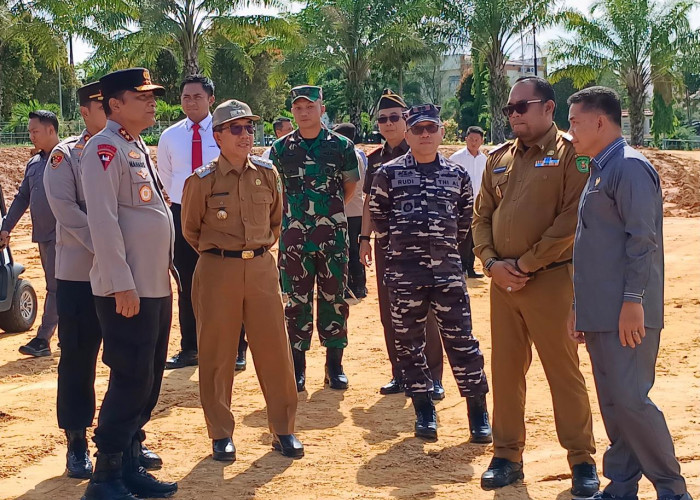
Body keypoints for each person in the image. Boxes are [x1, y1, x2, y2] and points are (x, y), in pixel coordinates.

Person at [472, 76, 598, 497]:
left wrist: (525, 263)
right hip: (503, 285)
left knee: (563, 372)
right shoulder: (499, 158)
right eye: (509, 109)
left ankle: (581, 460)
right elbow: (481, 215)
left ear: (548, 108)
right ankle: (507, 455)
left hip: (550, 281)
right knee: (506, 373)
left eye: (520, 108)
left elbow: (570, 220)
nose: (513, 115)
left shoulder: (572, 156)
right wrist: (491, 263)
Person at [567, 86, 692, 500]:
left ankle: (673, 490)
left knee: (632, 401)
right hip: (600, 311)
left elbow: (643, 241)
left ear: (600, 121)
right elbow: (591, 248)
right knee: (614, 405)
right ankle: (621, 486)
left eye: (575, 122)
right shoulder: (599, 168)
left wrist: (634, 301)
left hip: (626, 311)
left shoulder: (630, 167)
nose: (571, 132)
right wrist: (578, 308)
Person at [181, 99, 303, 461]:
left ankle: (283, 429)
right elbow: (190, 230)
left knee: (275, 350)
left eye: (250, 127)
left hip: (262, 268)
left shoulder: (267, 174)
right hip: (219, 269)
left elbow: (276, 221)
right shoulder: (201, 180)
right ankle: (220, 434)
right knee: (217, 353)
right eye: (237, 128)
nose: (246, 134)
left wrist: (256, 253)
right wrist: (224, 254)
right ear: (218, 135)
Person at [79, 68, 177, 500]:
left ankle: (132, 462)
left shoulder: (134, 144)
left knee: (150, 377)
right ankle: (105, 477)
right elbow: (102, 222)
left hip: (153, 283)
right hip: (127, 288)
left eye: (153, 95)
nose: (153, 101)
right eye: (143, 96)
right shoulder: (103, 147)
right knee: (130, 377)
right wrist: (121, 283)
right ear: (114, 104)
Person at [369, 104, 490, 442]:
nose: (424, 135)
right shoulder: (388, 174)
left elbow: (465, 221)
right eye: (418, 129)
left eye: (430, 129)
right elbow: (380, 217)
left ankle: (477, 412)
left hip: (448, 273)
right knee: (408, 343)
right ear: (407, 134)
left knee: (462, 342)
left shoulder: (457, 175)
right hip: (405, 275)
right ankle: (423, 408)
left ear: (441, 134)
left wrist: (443, 249)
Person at [270, 85, 359, 392]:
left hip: (332, 235)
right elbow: (275, 192)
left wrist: (326, 213)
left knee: (334, 297)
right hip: (294, 237)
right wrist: (299, 217)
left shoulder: (342, 146)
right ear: (292, 111)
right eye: (298, 108)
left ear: (322, 108)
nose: (304, 112)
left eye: (310, 106)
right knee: (296, 300)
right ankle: (297, 367)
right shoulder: (280, 150)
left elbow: (349, 187)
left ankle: (334, 366)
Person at [359, 89, 445, 399]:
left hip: (423, 246)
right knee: (389, 311)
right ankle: (401, 373)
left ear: (405, 119)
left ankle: (433, 376)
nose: (388, 123)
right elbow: (369, 202)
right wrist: (364, 239)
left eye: (394, 117)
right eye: (382, 119)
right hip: (387, 247)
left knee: (429, 312)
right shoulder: (375, 160)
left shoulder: (424, 150)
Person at [43, 83, 106, 479]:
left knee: (128, 360)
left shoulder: (130, 151)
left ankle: (127, 437)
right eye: (106, 104)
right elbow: (65, 209)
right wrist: (111, 245)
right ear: (86, 110)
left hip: (125, 277)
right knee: (78, 360)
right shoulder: (65, 156)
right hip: (80, 276)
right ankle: (77, 440)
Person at [0, 110, 59, 357]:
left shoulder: (69, 158)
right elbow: (22, 197)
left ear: (51, 130)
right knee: (55, 285)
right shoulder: (34, 164)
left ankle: (44, 337)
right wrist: (6, 228)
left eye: (35, 131)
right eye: (30, 131)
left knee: (58, 287)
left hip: (66, 235)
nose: (31, 135)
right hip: (44, 235)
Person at [332, 122, 367, 299]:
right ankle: (360, 285)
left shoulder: (348, 155)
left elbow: (347, 185)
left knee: (349, 249)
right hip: (357, 209)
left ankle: (354, 285)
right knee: (355, 249)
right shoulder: (358, 155)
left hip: (348, 209)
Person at [449, 126, 487, 278]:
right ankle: (461, 267)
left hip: (478, 204)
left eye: (477, 139)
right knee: (462, 236)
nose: (473, 142)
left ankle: (470, 268)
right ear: (466, 139)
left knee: (474, 238)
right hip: (460, 204)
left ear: (481, 141)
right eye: (471, 139)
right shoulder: (456, 158)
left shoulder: (484, 159)